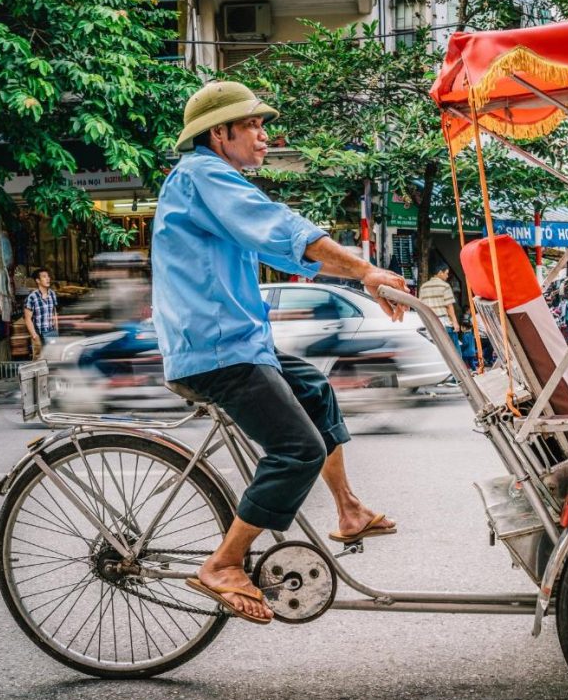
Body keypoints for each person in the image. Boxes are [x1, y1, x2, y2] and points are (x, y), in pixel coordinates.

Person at [152, 81, 403, 624]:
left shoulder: (214, 180)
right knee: (297, 450)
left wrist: (362, 275)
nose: (264, 137)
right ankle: (224, 561)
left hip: (240, 345)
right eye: (254, 127)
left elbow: (288, 246)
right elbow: (282, 230)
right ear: (220, 134)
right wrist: (364, 271)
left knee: (314, 389)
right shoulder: (204, 176)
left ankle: (348, 509)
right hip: (217, 353)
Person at [419, 262, 461, 356]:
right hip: (443, 322)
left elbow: (421, 305)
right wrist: (455, 322)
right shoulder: (445, 286)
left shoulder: (423, 287)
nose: (447, 276)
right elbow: (449, 306)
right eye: (446, 273)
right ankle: (458, 370)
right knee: (455, 351)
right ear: (440, 272)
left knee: (436, 350)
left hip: (429, 323)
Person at [23, 267, 58, 360]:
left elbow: (54, 313)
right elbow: (27, 319)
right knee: (39, 362)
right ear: (38, 280)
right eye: (44, 277)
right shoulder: (32, 297)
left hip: (52, 333)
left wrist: (56, 330)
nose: (48, 279)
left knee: (54, 360)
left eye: (48, 276)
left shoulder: (52, 294)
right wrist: (34, 336)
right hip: (39, 334)